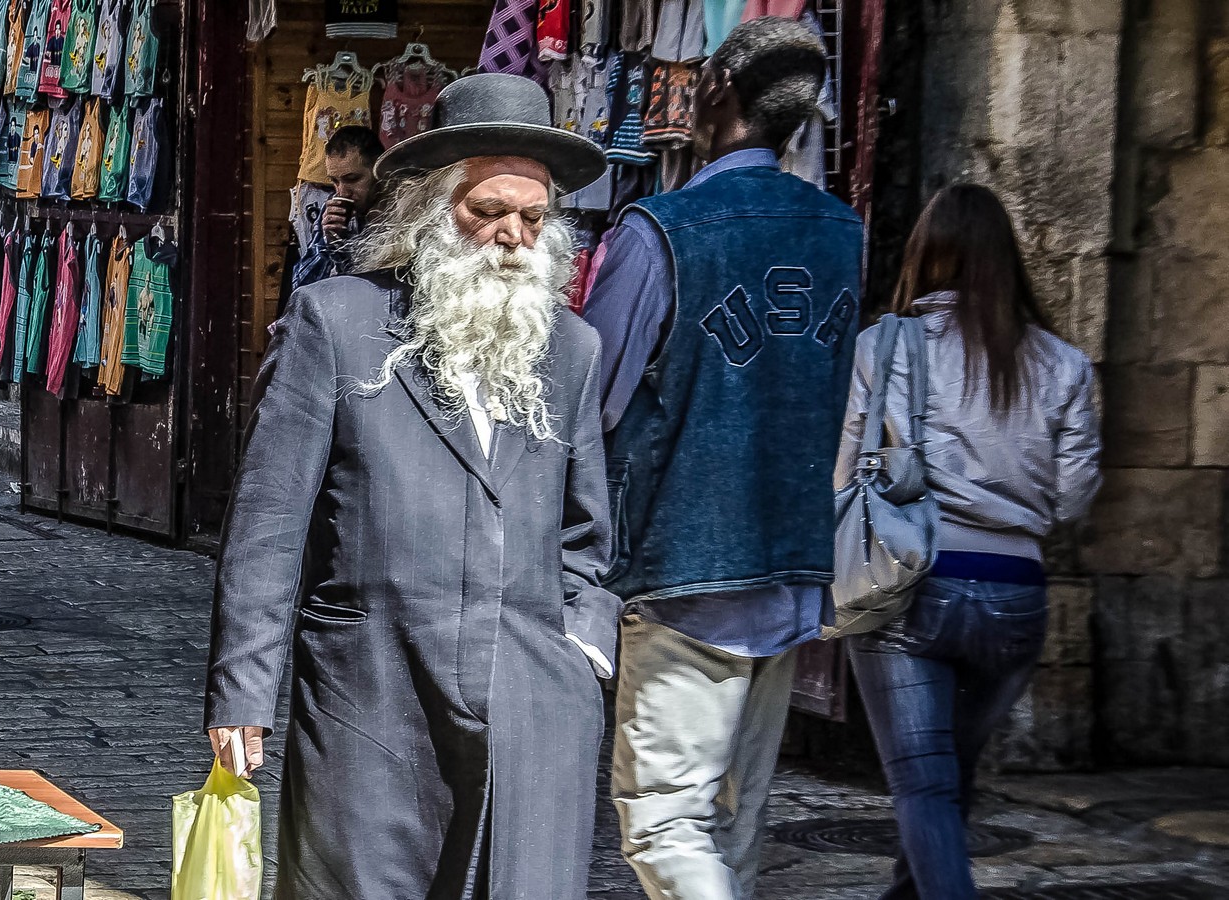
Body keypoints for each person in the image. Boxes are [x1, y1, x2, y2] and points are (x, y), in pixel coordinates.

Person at [205, 72, 620, 899]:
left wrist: (581, 652)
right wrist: (242, 688)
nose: (512, 237)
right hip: (371, 697)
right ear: (432, 207)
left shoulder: (571, 350)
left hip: (531, 706)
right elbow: (268, 524)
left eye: (533, 218)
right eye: (488, 211)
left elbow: (587, 540)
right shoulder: (336, 321)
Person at [580, 18, 861, 900]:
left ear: (718, 90)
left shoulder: (662, 231)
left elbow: (593, 397)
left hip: (686, 564)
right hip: (791, 561)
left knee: (665, 821)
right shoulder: (841, 231)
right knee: (733, 824)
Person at [840, 184, 1100, 900]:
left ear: (925, 255)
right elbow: (1075, 495)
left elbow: (844, 470)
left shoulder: (882, 347)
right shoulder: (1063, 362)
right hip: (1016, 595)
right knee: (947, 782)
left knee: (924, 787)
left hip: (910, 587)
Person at [289, 124, 383, 289]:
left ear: (378, 171)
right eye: (335, 181)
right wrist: (328, 244)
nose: (342, 192)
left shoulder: (402, 206)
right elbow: (300, 286)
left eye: (352, 179)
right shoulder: (333, 210)